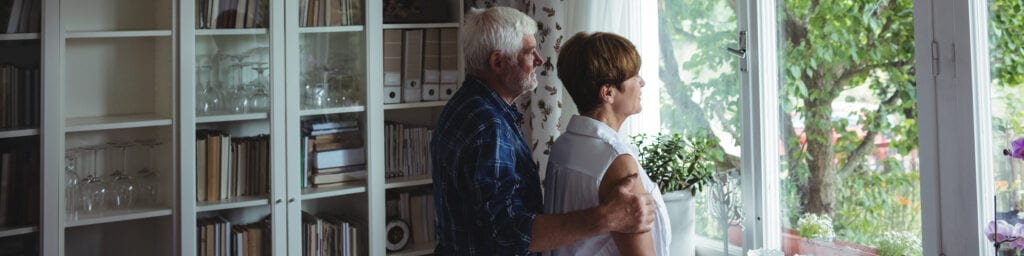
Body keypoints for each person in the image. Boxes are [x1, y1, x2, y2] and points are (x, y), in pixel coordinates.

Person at [430, 7, 656, 256]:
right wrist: (608, 217)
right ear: (498, 62)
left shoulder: (465, 105)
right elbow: (506, 233)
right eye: (529, 52)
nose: (539, 60)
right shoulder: (487, 125)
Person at [543, 32, 671, 256]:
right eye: (634, 75)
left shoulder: (563, 146)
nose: (642, 82)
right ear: (608, 92)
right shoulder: (617, 160)